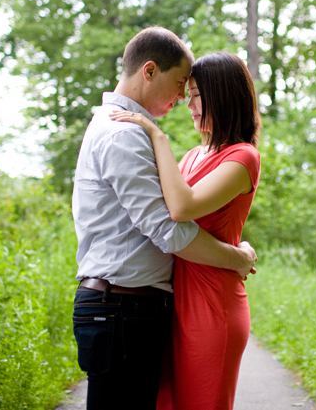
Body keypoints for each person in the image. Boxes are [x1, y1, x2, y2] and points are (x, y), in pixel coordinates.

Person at [71, 28, 258, 410]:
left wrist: (158, 138)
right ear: (150, 71)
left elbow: (181, 210)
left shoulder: (232, 154)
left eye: (192, 95)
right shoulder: (125, 134)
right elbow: (169, 227)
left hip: (166, 305)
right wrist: (237, 257)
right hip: (123, 307)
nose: (182, 100)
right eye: (180, 87)